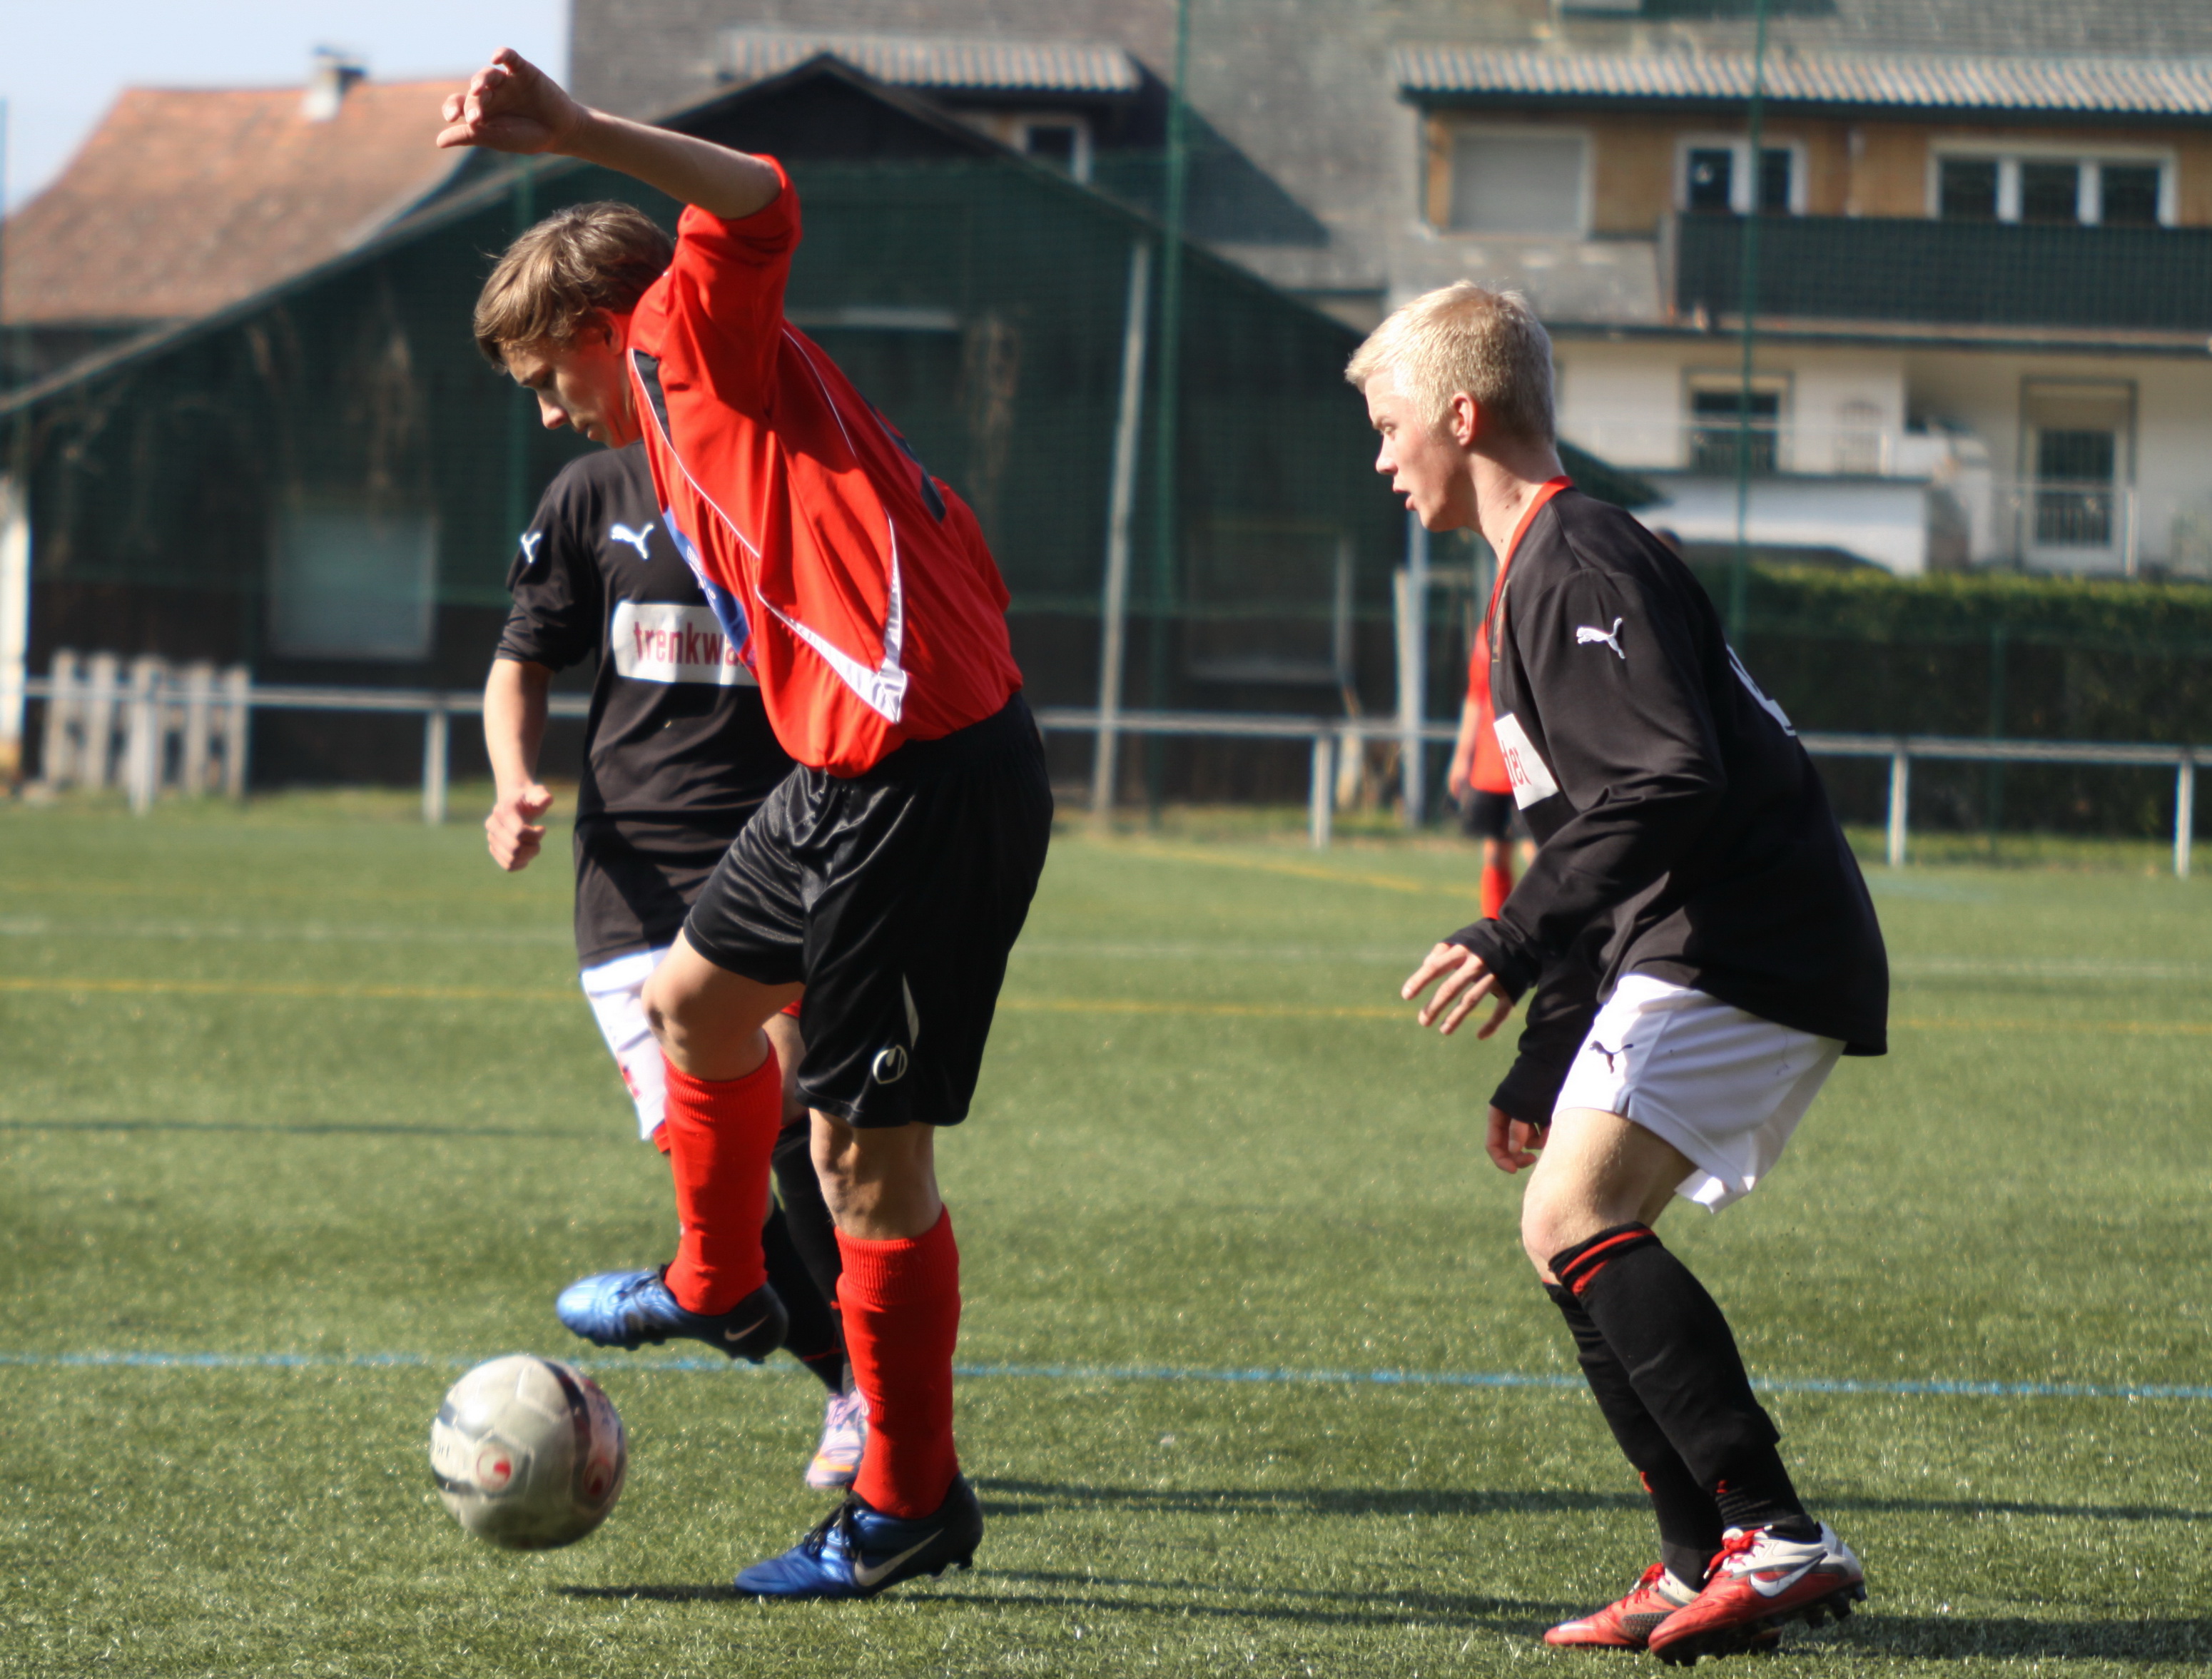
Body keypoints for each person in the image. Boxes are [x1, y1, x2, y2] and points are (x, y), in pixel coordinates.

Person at [441, 49, 1053, 1601]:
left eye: (547, 379)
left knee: (859, 1163)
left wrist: (574, 129)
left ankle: (908, 1503)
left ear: (602, 327)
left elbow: (760, 197)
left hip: (924, 777)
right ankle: (715, 1280)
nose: (552, 412)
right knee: (691, 1006)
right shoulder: (654, 429)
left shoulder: (687, 343)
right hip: (841, 778)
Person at [1356, 282, 1887, 1663]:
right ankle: (1700, 1557)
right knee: (1564, 1230)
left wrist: (1507, 932)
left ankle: (1771, 1533)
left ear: (1459, 415)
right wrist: (1547, 1052)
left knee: (1573, 1214)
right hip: (1701, 938)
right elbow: (1599, 837)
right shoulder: (1538, 568)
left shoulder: (1578, 558)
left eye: (1389, 425)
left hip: (1745, 936)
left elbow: (1664, 784)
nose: (1382, 458)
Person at [482, 438, 863, 1493]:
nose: (548, 411)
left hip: (770, 846)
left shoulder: (780, 472)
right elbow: (522, 657)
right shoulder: (590, 493)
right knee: (717, 1160)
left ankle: (863, 1388)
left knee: (786, 1110)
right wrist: (512, 783)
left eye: (551, 376)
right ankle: (813, 1353)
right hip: (628, 879)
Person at [1445, 609, 1522, 920]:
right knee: (1493, 852)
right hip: (1491, 765)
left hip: (1529, 762)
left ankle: (1552, 933)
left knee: (1539, 853)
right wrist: (1462, 757)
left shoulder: (1536, 618)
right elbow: (1476, 694)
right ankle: (1496, 928)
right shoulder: (1488, 629)